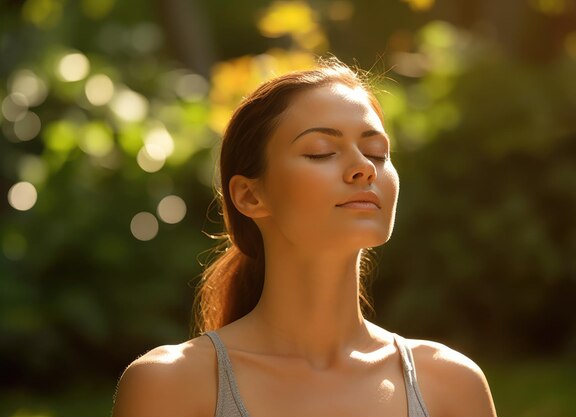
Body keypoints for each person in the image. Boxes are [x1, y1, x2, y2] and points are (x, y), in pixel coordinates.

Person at [112, 58, 497, 417]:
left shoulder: (451, 386)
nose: (364, 168)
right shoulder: (169, 387)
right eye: (321, 152)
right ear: (250, 195)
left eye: (377, 152)